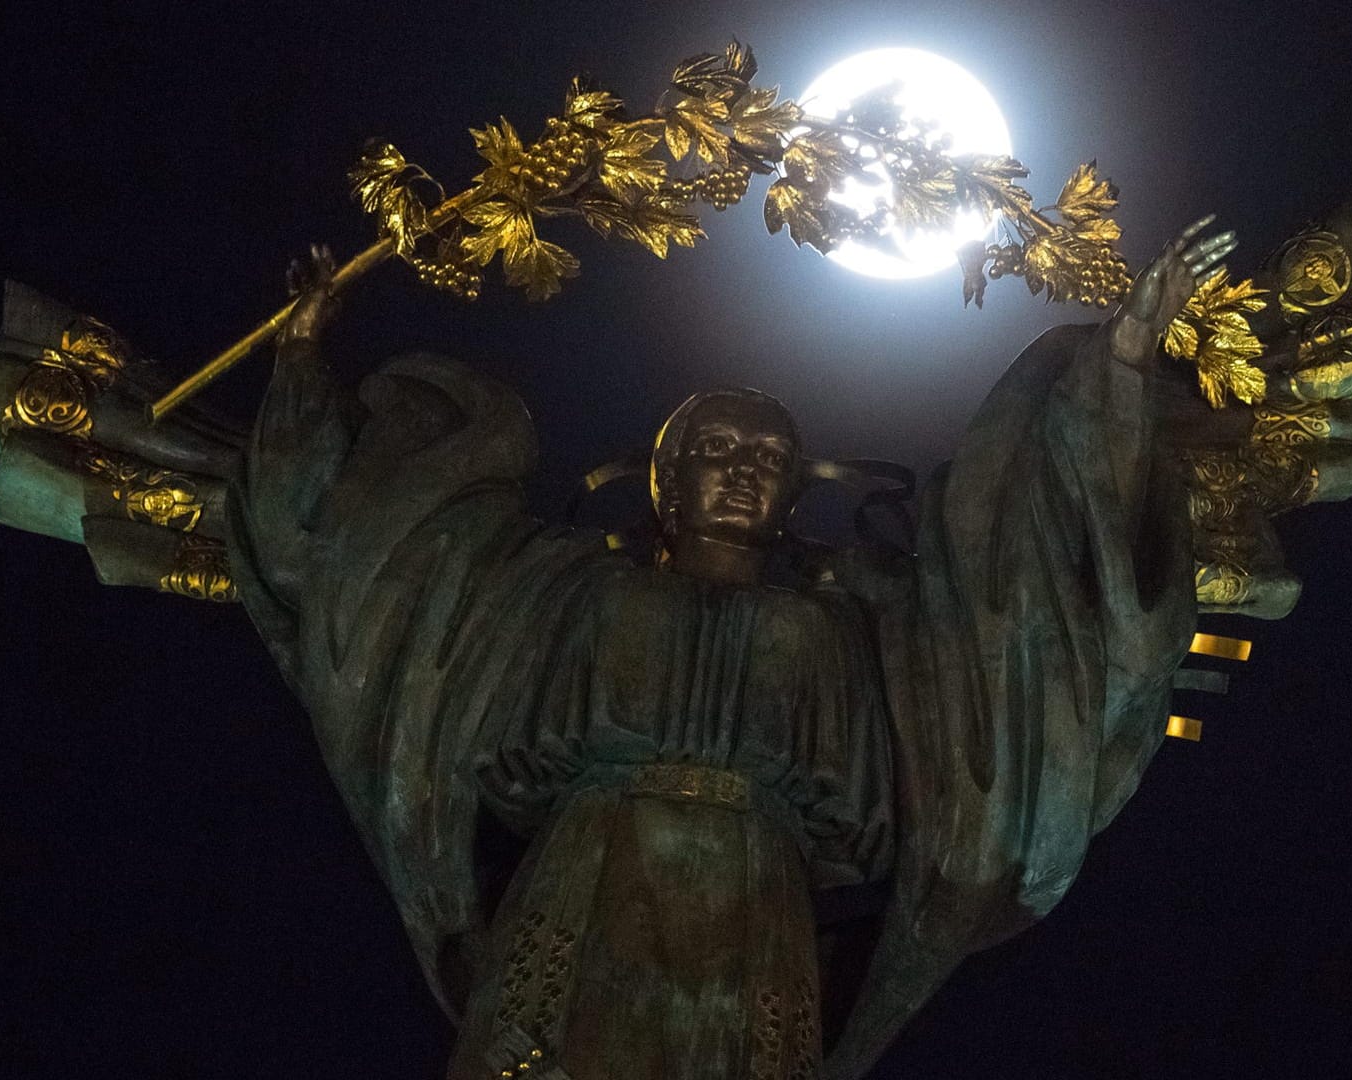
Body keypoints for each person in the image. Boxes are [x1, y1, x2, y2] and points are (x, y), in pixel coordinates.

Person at [228, 217, 1237, 1079]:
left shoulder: (849, 633)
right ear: (666, 480)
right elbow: (364, 554)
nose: (743, 473)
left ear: (796, 491)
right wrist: (302, 359)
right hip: (585, 875)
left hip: (759, 895)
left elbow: (1019, 597)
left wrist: (1122, 367)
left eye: (767, 460)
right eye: (715, 451)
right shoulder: (562, 588)